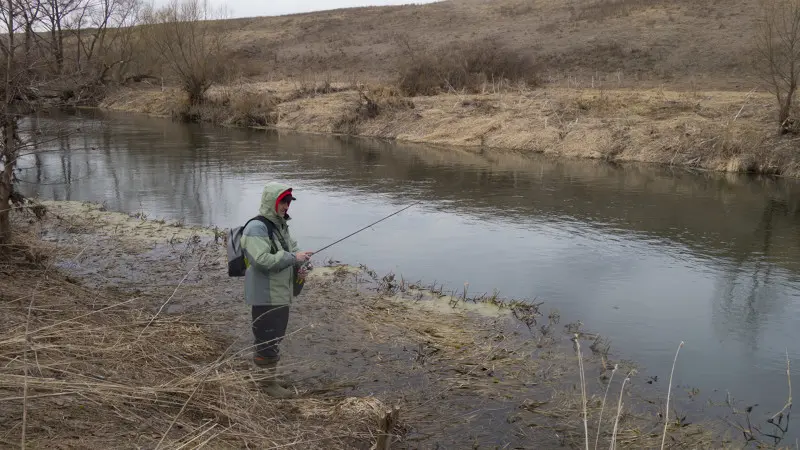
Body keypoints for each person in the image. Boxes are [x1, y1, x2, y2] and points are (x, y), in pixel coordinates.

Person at [240, 181, 313, 398]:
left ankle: (266, 379)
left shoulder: (280, 225)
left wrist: (302, 262)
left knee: (275, 336)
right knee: (267, 337)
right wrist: (293, 258)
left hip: (280, 292)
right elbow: (261, 260)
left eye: (289, 201)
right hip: (266, 295)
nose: (286, 206)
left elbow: (294, 248)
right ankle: (266, 386)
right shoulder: (256, 227)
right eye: (283, 201)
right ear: (273, 202)